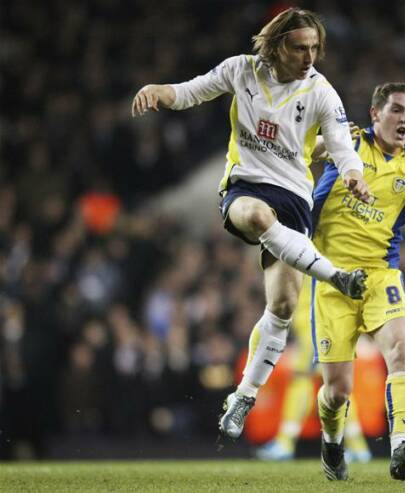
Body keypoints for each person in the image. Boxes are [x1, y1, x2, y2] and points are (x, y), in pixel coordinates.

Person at [131, 8, 372, 442]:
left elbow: (342, 146)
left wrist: (354, 173)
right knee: (258, 217)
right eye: (301, 47)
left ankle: (242, 395)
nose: (309, 56)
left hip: (296, 200)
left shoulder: (321, 91)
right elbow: (188, 93)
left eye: (315, 47)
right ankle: (336, 276)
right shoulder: (240, 70)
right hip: (245, 188)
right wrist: (156, 90)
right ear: (279, 44)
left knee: (281, 307)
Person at [307, 82, 405, 481]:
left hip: (380, 275)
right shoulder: (347, 144)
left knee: (401, 350)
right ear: (376, 114)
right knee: (337, 391)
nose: (404, 119)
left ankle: (400, 446)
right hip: (331, 276)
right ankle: (332, 444)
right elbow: (304, 150)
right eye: (396, 110)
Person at [254, 275, 372, 463]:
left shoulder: (311, 247)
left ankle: (285, 443)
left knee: (304, 380)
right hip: (321, 319)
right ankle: (358, 447)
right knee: (335, 384)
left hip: (315, 321)